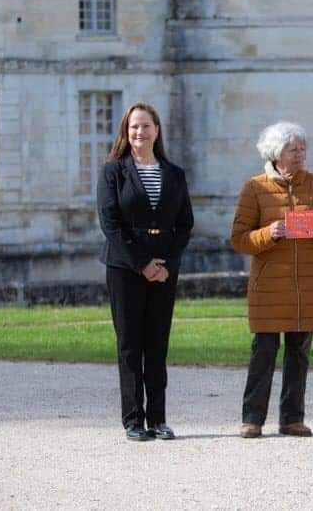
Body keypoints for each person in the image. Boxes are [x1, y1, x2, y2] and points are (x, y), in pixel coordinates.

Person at [230, 121, 313, 439]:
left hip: (308, 285)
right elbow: (239, 238)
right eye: (293, 149)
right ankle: (252, 418)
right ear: (276, 154)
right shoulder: (254, 188)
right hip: (269, 287)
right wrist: (269, 233)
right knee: (263, 351)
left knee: (299, 353)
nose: (300, 154)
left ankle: (293, 418)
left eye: (302, 148)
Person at [97, 102, 194, 441]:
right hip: (125, 267)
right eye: (134, 126)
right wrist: (142, 263)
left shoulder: (174, 173)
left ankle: (158, 419)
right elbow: (111, 223)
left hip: (165, 270)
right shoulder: (113, 171)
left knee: (157, 344)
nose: (140, 132)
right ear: (126, 131)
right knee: (130, 344)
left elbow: (184, 225)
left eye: (146, 126)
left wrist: (164, 264)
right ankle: (133, 420)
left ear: (157, 130)